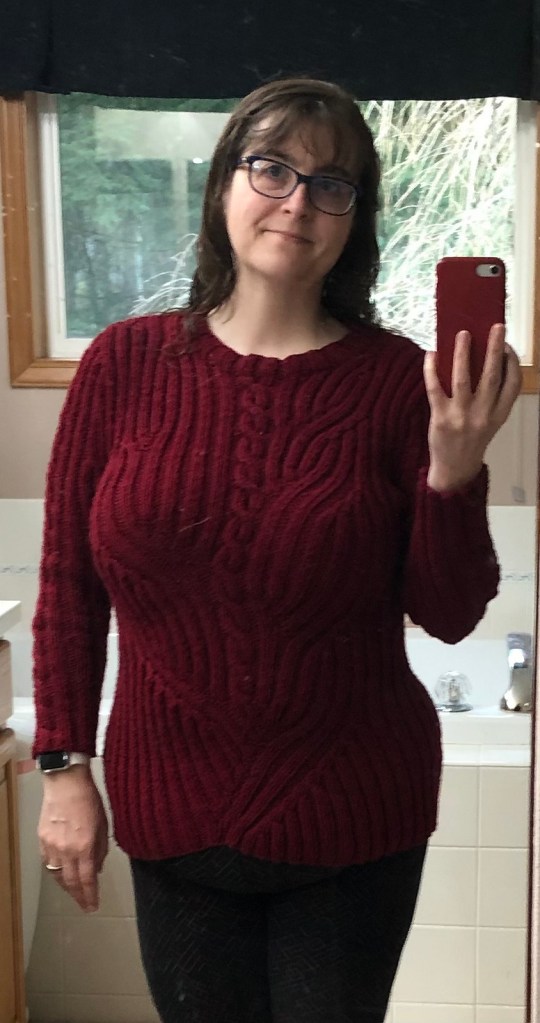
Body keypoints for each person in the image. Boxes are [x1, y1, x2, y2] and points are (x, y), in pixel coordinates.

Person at [32, 76, 521, 1023]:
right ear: (224, 183)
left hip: (353, 810)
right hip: (170, 807)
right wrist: (64, 768)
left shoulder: (398, 382)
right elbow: (67, 586)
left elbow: (451, 613)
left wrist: (454, 473)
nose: (298, 201)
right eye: (272, 168)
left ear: (354, 219)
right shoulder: (123, 365)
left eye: (332, 184)